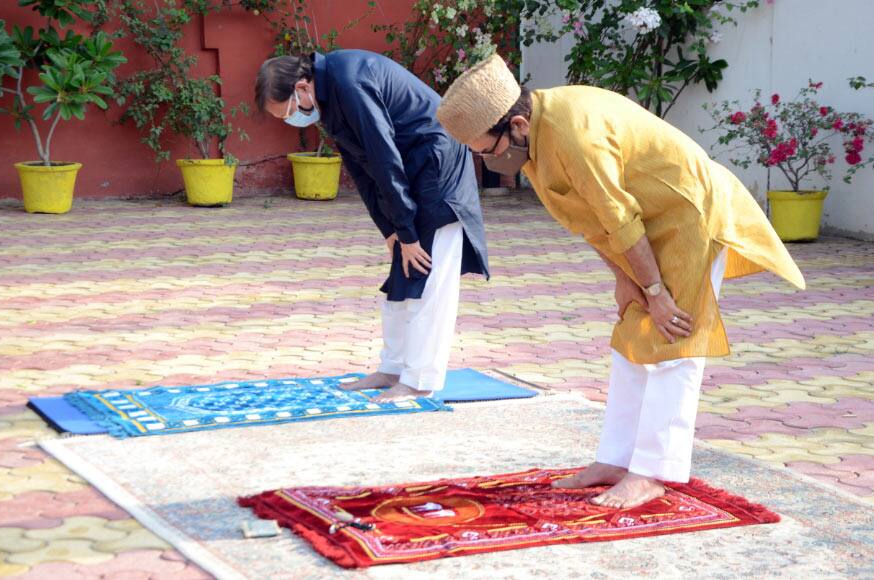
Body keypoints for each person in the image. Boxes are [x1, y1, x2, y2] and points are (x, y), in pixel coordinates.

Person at [436, 54, 805, 508]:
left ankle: (653, 472)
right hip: (644, 227)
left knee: (674, 338)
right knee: (631, 337)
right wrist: (623, 279)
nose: (487, 160)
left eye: (486, 150)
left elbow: (617, 214)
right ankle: (615, 458)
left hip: (688, 214)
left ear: (515, 124)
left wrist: (655, 291)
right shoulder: (532, 140)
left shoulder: (572, 131)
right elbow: (587, 219)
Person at [255, 50, 489, 402]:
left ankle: (420, 379)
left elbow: (383, 157)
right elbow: (361, 168)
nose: (292, 120)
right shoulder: (329, 95)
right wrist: (392, 230)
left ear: (302, 88)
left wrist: (408, 232)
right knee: (403, 268)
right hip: (411, 162)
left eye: (288, 112)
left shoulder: (348, 82)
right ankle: (392, 368)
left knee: (430, 272)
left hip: (437, 161)